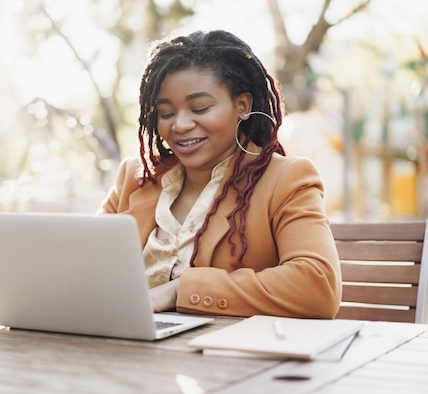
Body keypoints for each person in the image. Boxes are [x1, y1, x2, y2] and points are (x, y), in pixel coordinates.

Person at [99, 30, 341, 319]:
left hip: (225, 355)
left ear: (242, 106)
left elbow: (317, 286)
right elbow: (84, 262)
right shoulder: (137, 177)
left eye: (199, 108)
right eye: (166, 113)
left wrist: (180, 290)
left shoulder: (286, 179)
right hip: (126, 345)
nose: (181, 124)